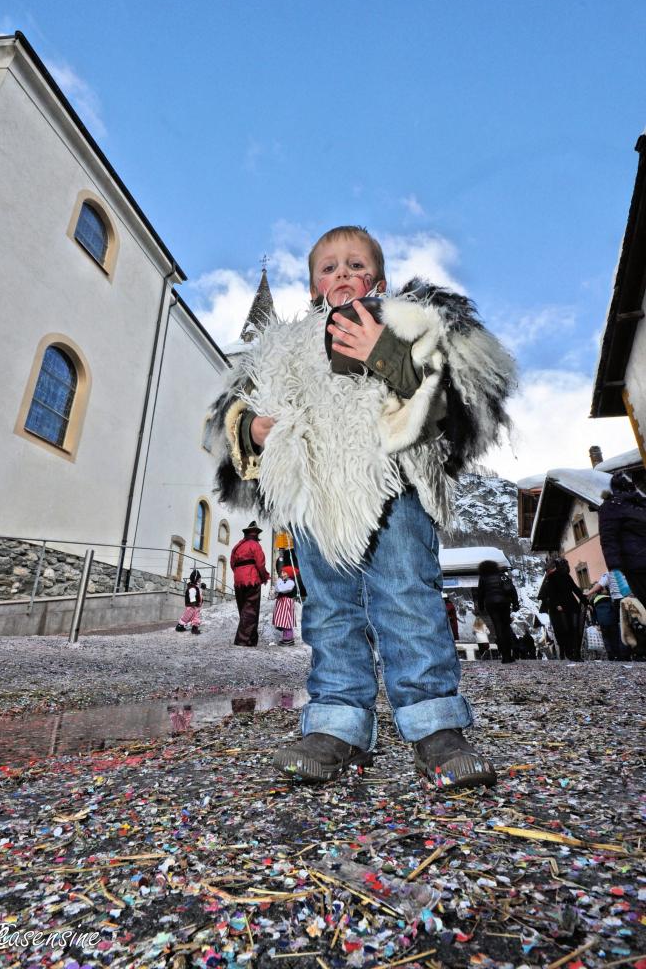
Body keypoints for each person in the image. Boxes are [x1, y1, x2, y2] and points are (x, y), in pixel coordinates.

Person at [208, 225, 515, 788]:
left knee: (407, 599)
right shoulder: (282, 347)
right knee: (329, 611)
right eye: (328, 267)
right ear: (311, 286)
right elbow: (235, 414)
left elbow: (448, 397)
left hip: (391, 484)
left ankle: (434, 727)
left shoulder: (405, 322)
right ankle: (338, 724)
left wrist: (386, 353)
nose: (342, 274)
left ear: (379, 278)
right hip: (315, 494)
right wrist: (252, 427)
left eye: (355, 265)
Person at [598, 472, 646, 609]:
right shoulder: (641, 505)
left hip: (636, 566)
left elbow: (608, 540)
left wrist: (616, 570)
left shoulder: (610, 506)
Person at [230, 520, 270, 646]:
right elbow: (260, 564)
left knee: (243, 609)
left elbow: (232, 564)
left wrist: (239, 574)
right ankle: (243, 640)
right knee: (251, 610)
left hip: (238, 581)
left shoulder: (238, 546)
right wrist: (264, 577)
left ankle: (252, 639)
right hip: (252, 580)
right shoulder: (255, 545)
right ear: (256, 534)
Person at [537, 557, 585, 660]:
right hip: (564, 607)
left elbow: (575, 589)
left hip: (568, 606)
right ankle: (571, 653)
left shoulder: (562, 576)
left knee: (571, 630)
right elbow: (552, 592)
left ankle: (574, 653)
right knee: (568, 630)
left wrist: (586, 602)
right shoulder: (553, 577)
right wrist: (556, 604)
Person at [476, 560, 520, 663]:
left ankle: (504, 656)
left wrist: (481, 607)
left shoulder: (483, 578)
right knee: (506, 627)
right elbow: (512, 589)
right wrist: (515, 603)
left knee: (498, 627)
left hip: (491, 604)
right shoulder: (502, 576)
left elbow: (480, 593)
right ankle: (509, 655)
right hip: (504, 603)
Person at [585, 574, 624, 660]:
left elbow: (593, 613)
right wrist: (617, 619)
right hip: (612, 621)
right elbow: (613, 610)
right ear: (602, 590)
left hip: (602, 623)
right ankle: (617, 655)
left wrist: (595, 622)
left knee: (606, 638)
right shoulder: (609, 599)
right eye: (606, 588)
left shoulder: (594, 601)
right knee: (614, 637)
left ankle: (610, 654)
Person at [273, 568, 296, 645]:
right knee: (283, 619)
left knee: (287, 619)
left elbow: (281, 589)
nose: (282, 574)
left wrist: (278, 582)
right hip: (281, 602)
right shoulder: (283, 581)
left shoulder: (291, 582)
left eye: (284, 573)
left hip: (287, 602)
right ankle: (286, 637)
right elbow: (277, 589)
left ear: (289, 574)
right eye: (282, 572)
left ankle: (288, 639)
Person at [175, 570, 203, 635]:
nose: (200, 580)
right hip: (191, 606)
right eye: (199, 578)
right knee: (187, 616)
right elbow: (192, 596)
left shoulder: (196, 586)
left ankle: (194, 628)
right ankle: (180, 626)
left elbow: (199, 594)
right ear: (195, 579)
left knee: (196, 616)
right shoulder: (192, 588)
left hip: (196, 606)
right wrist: (193, 603)